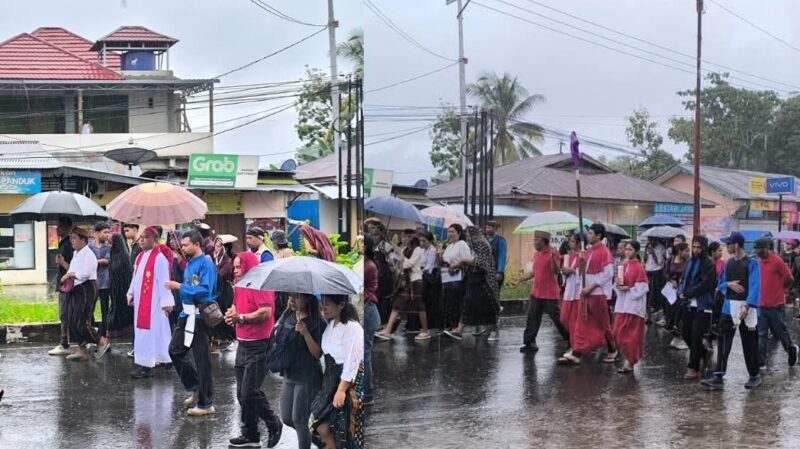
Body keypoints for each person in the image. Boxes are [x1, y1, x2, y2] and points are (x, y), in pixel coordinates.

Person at [225, 251, 282, 448]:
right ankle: (250, 434)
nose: (236, 270)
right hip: (243, 342)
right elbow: (236, 305)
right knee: (242, 394)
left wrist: (241, 318)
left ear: (249, 266)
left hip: (260, 343)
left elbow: (266, 312)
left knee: (250, 392)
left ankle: (274, 423)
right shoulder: (239, 283)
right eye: (234, 267)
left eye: (239, 267)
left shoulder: (261, 283)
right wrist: (232, 313)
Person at [701, 232, 762, 390]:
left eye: (728, 244)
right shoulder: (728, 263)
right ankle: (718, 376)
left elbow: (755, 285)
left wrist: (748, 305)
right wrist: (728, 284)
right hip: (728, 306)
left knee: (749, 342)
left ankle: (754, 375)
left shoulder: (752, 263)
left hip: (746, 307)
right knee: (723, 341)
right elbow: (720, 283)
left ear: (736, 244)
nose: (726, 247)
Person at [166, 231, 218, 416]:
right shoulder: (189, 263)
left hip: (199, 316)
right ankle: (195, 386)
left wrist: (179, 286)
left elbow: (204, 289)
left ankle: (206, 403)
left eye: (186, 244)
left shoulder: (206, 264)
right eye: (182, 244)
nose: (183, 247)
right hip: (186, 314)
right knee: (174, 350)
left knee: (202, 360)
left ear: (197, 244)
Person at [309, 295, 364, 449]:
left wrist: (341, 390)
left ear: (341, 305)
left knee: (342, 429)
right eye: (322, 303)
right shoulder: (330, 326)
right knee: (321, 426)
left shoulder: (352, 328)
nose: (323, 307)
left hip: (348, 381)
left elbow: (351, 362)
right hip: (330, 382)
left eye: (328, 304)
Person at [560, 224, 616, 365]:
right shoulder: (588, 251)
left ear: (598, 236)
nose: (588, 235)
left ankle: (612, 349)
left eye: (591, 233)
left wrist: (591, 286)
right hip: (585, 293)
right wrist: (581, 262)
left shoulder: (604, 252)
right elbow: (582, 272)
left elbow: (608, 274)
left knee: (602, 324)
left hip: (597, 293)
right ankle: (577, 352)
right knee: (582, 323)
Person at [276, 293, 326, 449]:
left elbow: (317, 354)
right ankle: (320, 441)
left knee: (300, 420)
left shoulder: (318, 321)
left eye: (296, 297)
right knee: (287, 417)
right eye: (290, 296)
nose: (292, 300)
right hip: (289, 373)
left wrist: (305, 334)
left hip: (307, 376)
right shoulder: (288, 314)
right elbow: (278, 335)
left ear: (308, 298)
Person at [127, 227, 174, 379]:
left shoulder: (159, 258)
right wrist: (131, 293)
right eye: (141, 237)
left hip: (155, 302)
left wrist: (166, 302)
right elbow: (135, 278)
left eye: (145, 237)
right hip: (142, 302)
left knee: (154, 332)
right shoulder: (139, 257)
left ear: (155, 239)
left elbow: (164, 281)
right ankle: (163, 359)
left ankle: (146, 365)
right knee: (149, 332)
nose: (141, 240)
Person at [512, 230, 568, 353]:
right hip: (536, 292)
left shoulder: (554, 253)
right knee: (532, 318)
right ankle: (529, 343)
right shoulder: (537, 254)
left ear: (544, 241)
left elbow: (555, 271)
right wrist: (520, 279)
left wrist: (553, 259)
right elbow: (534, 272)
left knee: (558, 319)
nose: (534, 242)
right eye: (534, 240)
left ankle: (570, 340)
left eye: (536, 240)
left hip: (550, 293)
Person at [444, 226, 500, 342]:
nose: (468, 237)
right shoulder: (472, 246)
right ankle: (459, 331)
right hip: (473, 278)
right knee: (467, 303)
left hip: (484, 280)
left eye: (469, 235)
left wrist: (463, 261)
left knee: (488, 306)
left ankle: (494, 331)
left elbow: (482, 262)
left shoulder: (482, 245)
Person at [375, 232, 432, 341]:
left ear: (411, 238)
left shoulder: (417, 250)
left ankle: (425, 330)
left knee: (419, 306)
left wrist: (401, 256)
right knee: (397, 304)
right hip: (405, 281)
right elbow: (397, 263)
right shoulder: (404, 249)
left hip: (415, 280)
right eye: (402, 236)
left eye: (405, 237)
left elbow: (408, 264)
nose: (403, 239)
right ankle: (388, 330)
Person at [753, 237, 799, 369]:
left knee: (779, 331)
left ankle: (791, 349)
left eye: (760, 249)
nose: (757, 252)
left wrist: (782, 289)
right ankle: (761, 361)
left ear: (767, 248)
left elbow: (789, 278)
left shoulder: (777, 261)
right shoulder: (758, 262)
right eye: (756, 249)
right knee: (761, 333)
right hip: (761, 304)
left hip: (775, 304)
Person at [677, 236, 717, 380]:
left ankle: (693, 367)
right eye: (694, 247)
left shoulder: (709, 264)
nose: (696, 250)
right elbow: (683, 279)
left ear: (704, 248)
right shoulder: (689, 262)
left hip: (702, 303)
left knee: (696, 335)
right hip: (688, 303)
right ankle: (703, 351)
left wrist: (688, 293)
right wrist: (680, 292)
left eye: (699, 247)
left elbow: (705, 285)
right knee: (685, 332)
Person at [62, 227, 99, 362]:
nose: (72, 241)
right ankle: (81, 350)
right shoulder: (76, 253)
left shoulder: (88, 254)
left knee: (80, 320)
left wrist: (70, 275)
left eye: (75, 238)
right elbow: (73, 269)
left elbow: (85, 274)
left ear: (83, 239)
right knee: (72, 320)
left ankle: (99, 340)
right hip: (76, 288)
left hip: (86, 288)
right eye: (71, 238)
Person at [612, 240, 649, 374]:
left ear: (636, 251)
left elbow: (643, 287)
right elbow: (619, 284)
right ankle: (628, 358)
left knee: (632, 335)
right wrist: (618, 284)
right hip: (623, 304)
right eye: (626, 249)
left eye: (630, 250)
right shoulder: (623, 265)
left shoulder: (638, 267)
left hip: (633, 306)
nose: (627, 252)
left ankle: (630, 361)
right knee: (618, 332)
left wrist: (628, 288)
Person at [49, 217, 75, 356]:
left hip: (68, 285)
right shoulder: (63, 243)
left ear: (67, 227)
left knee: (64, 314)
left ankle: (65, 343)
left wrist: (63, 263)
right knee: (65, 314)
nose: (57, 229)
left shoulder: (70, 244)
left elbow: (73, 268)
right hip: (63, 283)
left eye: (60, 226)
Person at [439, 224, 470, 333]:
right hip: (447, 277)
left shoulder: (462, 244)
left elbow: (467, 261)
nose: (450, 234)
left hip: (458, 277)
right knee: (447, 301)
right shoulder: (449, 246)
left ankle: (457, 326)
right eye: (449, 231)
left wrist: (457, 266)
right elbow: (444, 262)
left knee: (456, 302)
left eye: (452, 231)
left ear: (459, 233)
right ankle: (449, 325)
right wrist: (440, 255)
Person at [89, 222, 113, 359]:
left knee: (105, 311)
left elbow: (107, 261)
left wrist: (93, 262)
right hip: (92, 283)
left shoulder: (108, 247)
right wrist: (98, 261)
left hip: (105, 283)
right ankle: (92, 336)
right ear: (96, 233)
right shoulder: (89, 246)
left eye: (108, 232)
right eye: (105, 232)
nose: (107, 235)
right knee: (89, 311)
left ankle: (104, 337)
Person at [558, 233, 583, 363]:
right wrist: (565, 271)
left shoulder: (582, 256)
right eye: (570, 241)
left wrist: (572, 271)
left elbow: (585, 273)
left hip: (577, 293)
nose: (570, 243)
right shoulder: (571, 256)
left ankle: (575, 348)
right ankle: (574, 346)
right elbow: (567, 272)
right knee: (564, 318)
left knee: (575, 322)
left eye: (573, 241)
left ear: (579, 243)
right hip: (569, 291)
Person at [361, 235, 380, 406]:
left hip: (368, 309)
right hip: (367, 309)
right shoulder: (365, 263)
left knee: (364, 353)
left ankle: (367, 394)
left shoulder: (368, 266)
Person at [106, 233, 134, 342]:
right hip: (114, 289)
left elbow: (119, 270)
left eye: (111, 243)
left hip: (122, 288)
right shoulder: (114, 254)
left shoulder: (123, 256)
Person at [211, 236, 235, 354]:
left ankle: (221, 341)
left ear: (225, 248)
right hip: (216, 291)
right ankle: (217, 341)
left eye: (218, 246)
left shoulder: (228, 262)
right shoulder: (215, 259)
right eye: (215, 245)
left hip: (225, 292)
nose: (215, 248)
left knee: (222, 315)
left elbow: (219, 275)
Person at [664, 242, 690, 349]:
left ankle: (681, 338)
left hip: (681, 291)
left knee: (680, 315)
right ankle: (673, 334)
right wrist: (671, 280)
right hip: (670, 290)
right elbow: (665, 273)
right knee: (670, 313)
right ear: (680, 251)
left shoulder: (688, 262)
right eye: (686, 251)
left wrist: (680, 283)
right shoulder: (670, 260)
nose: (688, 253)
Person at [371, 224, 396, 324]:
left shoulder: (387, 246)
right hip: (375, 275)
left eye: (376, 235)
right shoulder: (372, 246)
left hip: (384, 275)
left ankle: (385, 321)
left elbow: (392, 262)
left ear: (381, 235)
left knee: (384, 299)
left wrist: (386, 257)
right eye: (372, 235)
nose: (374, 237)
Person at [418, 231, 442, 332]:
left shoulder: (432, 250)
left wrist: (420, 271)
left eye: (424, 241)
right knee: (425, 300)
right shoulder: (422, 250)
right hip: (424, 275)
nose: (422, 243)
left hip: (431, 277)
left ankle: (432, 325)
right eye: (420, 241)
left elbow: (429, 266)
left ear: (430, 241)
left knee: (432, 301)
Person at [270, 229, 293, 321]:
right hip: (275, 284)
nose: (272, 244)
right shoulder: (273, 252)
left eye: (273, 242)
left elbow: (290, 268)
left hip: (284, 285)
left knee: (282, 307)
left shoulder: (287, 252)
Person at [644, 237, 666, 325]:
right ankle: (648, 316)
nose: (650, 241)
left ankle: (656, 317)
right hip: (648, 271)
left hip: (656, 272)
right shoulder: (648, 247)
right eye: (649, 240)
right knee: (647, 295)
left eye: (651, 240)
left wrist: (653, 253)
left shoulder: (661, 248)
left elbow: (659, 262)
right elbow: (645, 260)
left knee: (654, 295)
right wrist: (646, 250)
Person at [485, 220, 507, 291]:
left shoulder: (500, 240)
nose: (487, 229)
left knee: (495, 293)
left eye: (489, 228)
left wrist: (500, 272)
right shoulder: (485, 240)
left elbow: (502, 256)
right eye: (486, 227)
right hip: (487, 271)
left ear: (495, 228)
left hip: (496, 271)